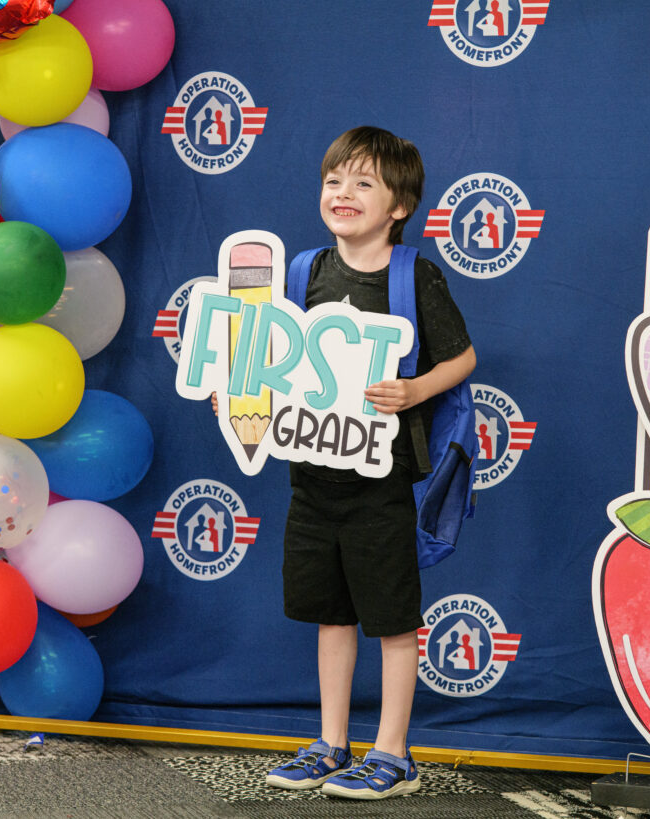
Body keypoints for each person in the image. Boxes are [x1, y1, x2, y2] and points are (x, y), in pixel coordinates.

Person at [215, 126, 475, 799]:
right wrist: (240, 387)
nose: (344, 193)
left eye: (363, 183)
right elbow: (276, 362)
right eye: (334, 180)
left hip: (380, 482)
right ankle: (332, 742)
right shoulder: (301, 271)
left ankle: (394, 752)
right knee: (331, 612)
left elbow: (462, 357)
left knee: (390, 616)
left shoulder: (411, 272)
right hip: (311, 478)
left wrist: (416, 389)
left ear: (398, 206)